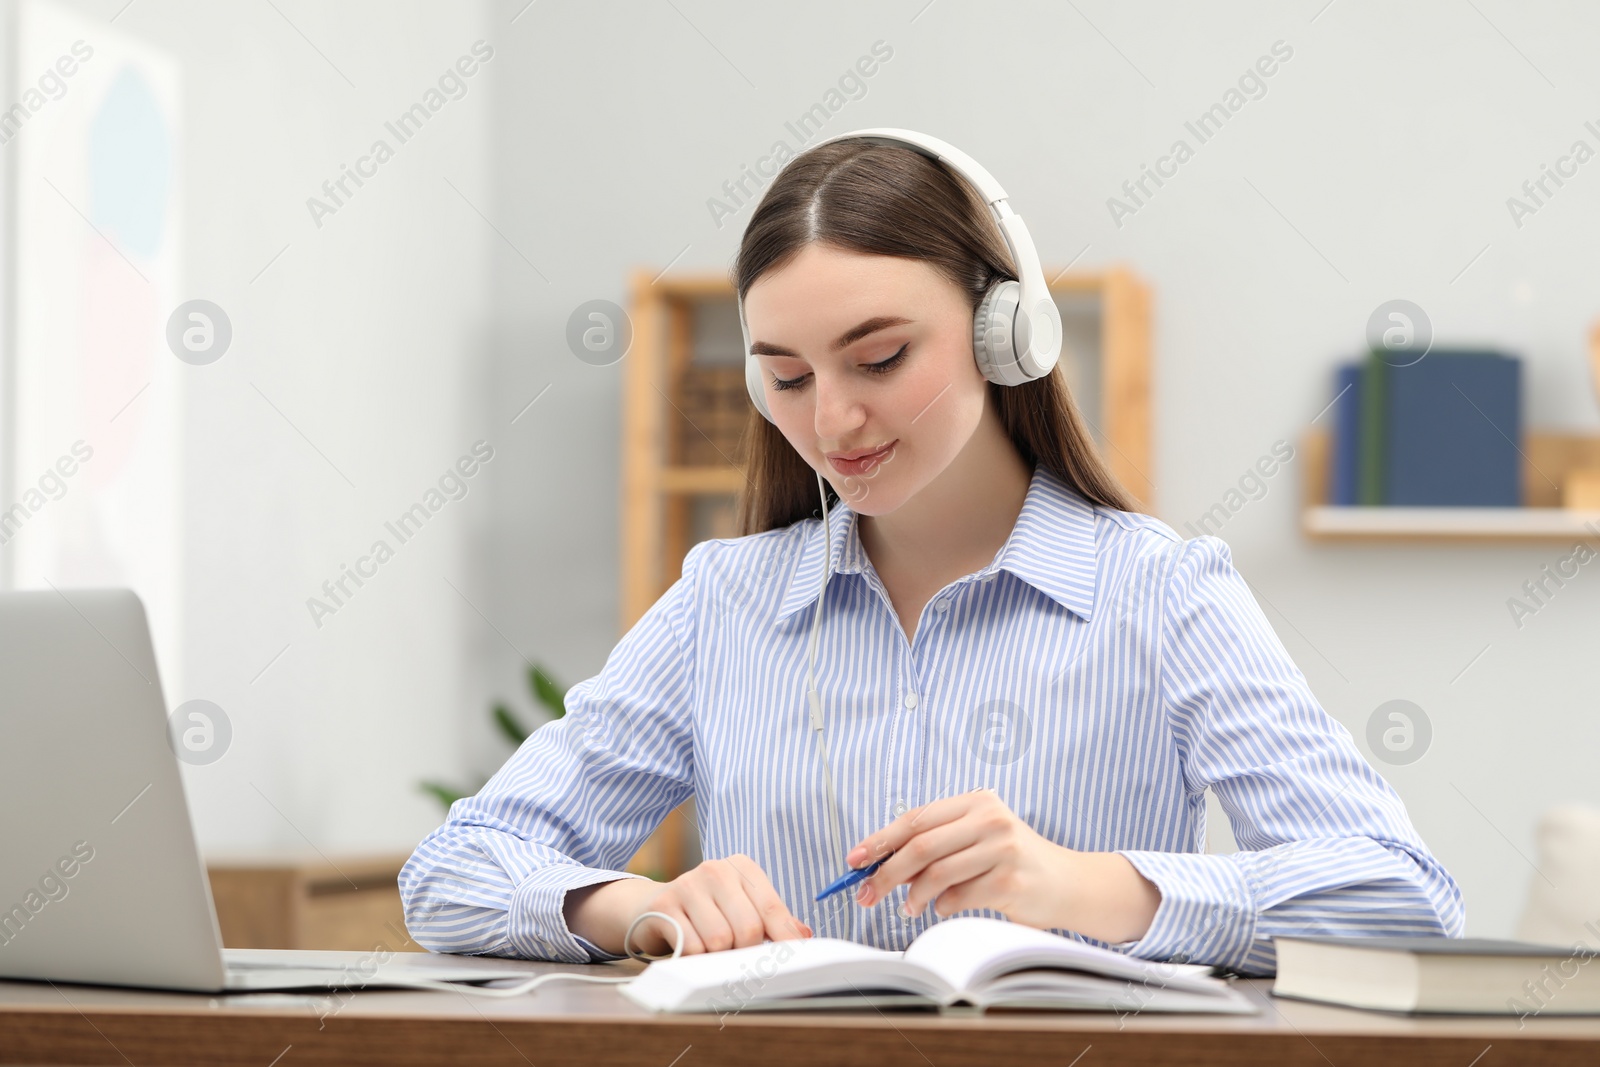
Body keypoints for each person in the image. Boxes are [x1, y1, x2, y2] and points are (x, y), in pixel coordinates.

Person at [399, 133, 1464, 975]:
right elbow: (450, 869)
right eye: (785, 376)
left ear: (1009, 331)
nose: (833, 419)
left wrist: (1083, 888)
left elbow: (1405, 899)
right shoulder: (724, 602)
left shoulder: (1161, 592)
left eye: (877, 356)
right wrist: (638, 905)